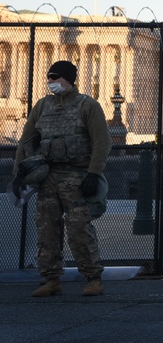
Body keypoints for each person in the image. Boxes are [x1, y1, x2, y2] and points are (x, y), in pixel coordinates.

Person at [13, 61, 110, 298]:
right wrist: (19, 174)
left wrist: (94, 173)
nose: (51, 82)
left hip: (76, 176)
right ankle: (51, 278)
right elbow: (26, 141)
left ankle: (93, 277)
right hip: (47, 177)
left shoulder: (88, 105)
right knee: (46, 229)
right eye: (49, 78)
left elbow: (102, 142)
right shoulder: (42, 106)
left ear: (69, 79)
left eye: (56, 77)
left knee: (79, 229)